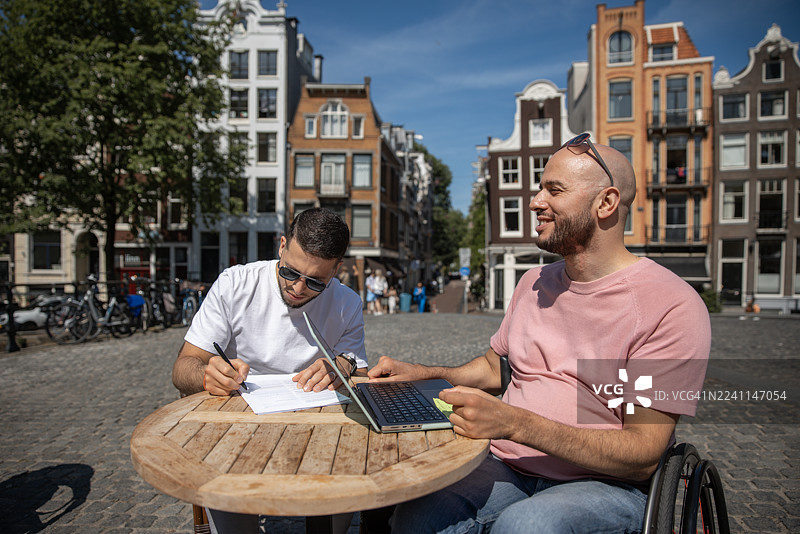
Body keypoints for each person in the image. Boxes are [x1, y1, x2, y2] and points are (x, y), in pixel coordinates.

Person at [367, 135, 711, 533]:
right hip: (507, 466)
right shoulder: (533, 282)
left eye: (554, 190)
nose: (534, 201)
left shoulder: (670, 304)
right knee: (417, 515)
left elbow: (643, 454)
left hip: (604, 483)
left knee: (528, 525)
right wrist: (421, 374)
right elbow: (494, 369)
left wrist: (515, 423)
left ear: (606, 202)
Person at [172, 208, 367, 534]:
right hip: (235, 430)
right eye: (290, 272)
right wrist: (207, 374)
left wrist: (343, 366)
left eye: (317, 282)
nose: (299, 288)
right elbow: (183, 368)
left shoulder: (348, 303)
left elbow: (360, 373)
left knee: (338, 516)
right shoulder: (235, 284)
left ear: (337, 270)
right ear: (281, 246)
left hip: (318, 435)